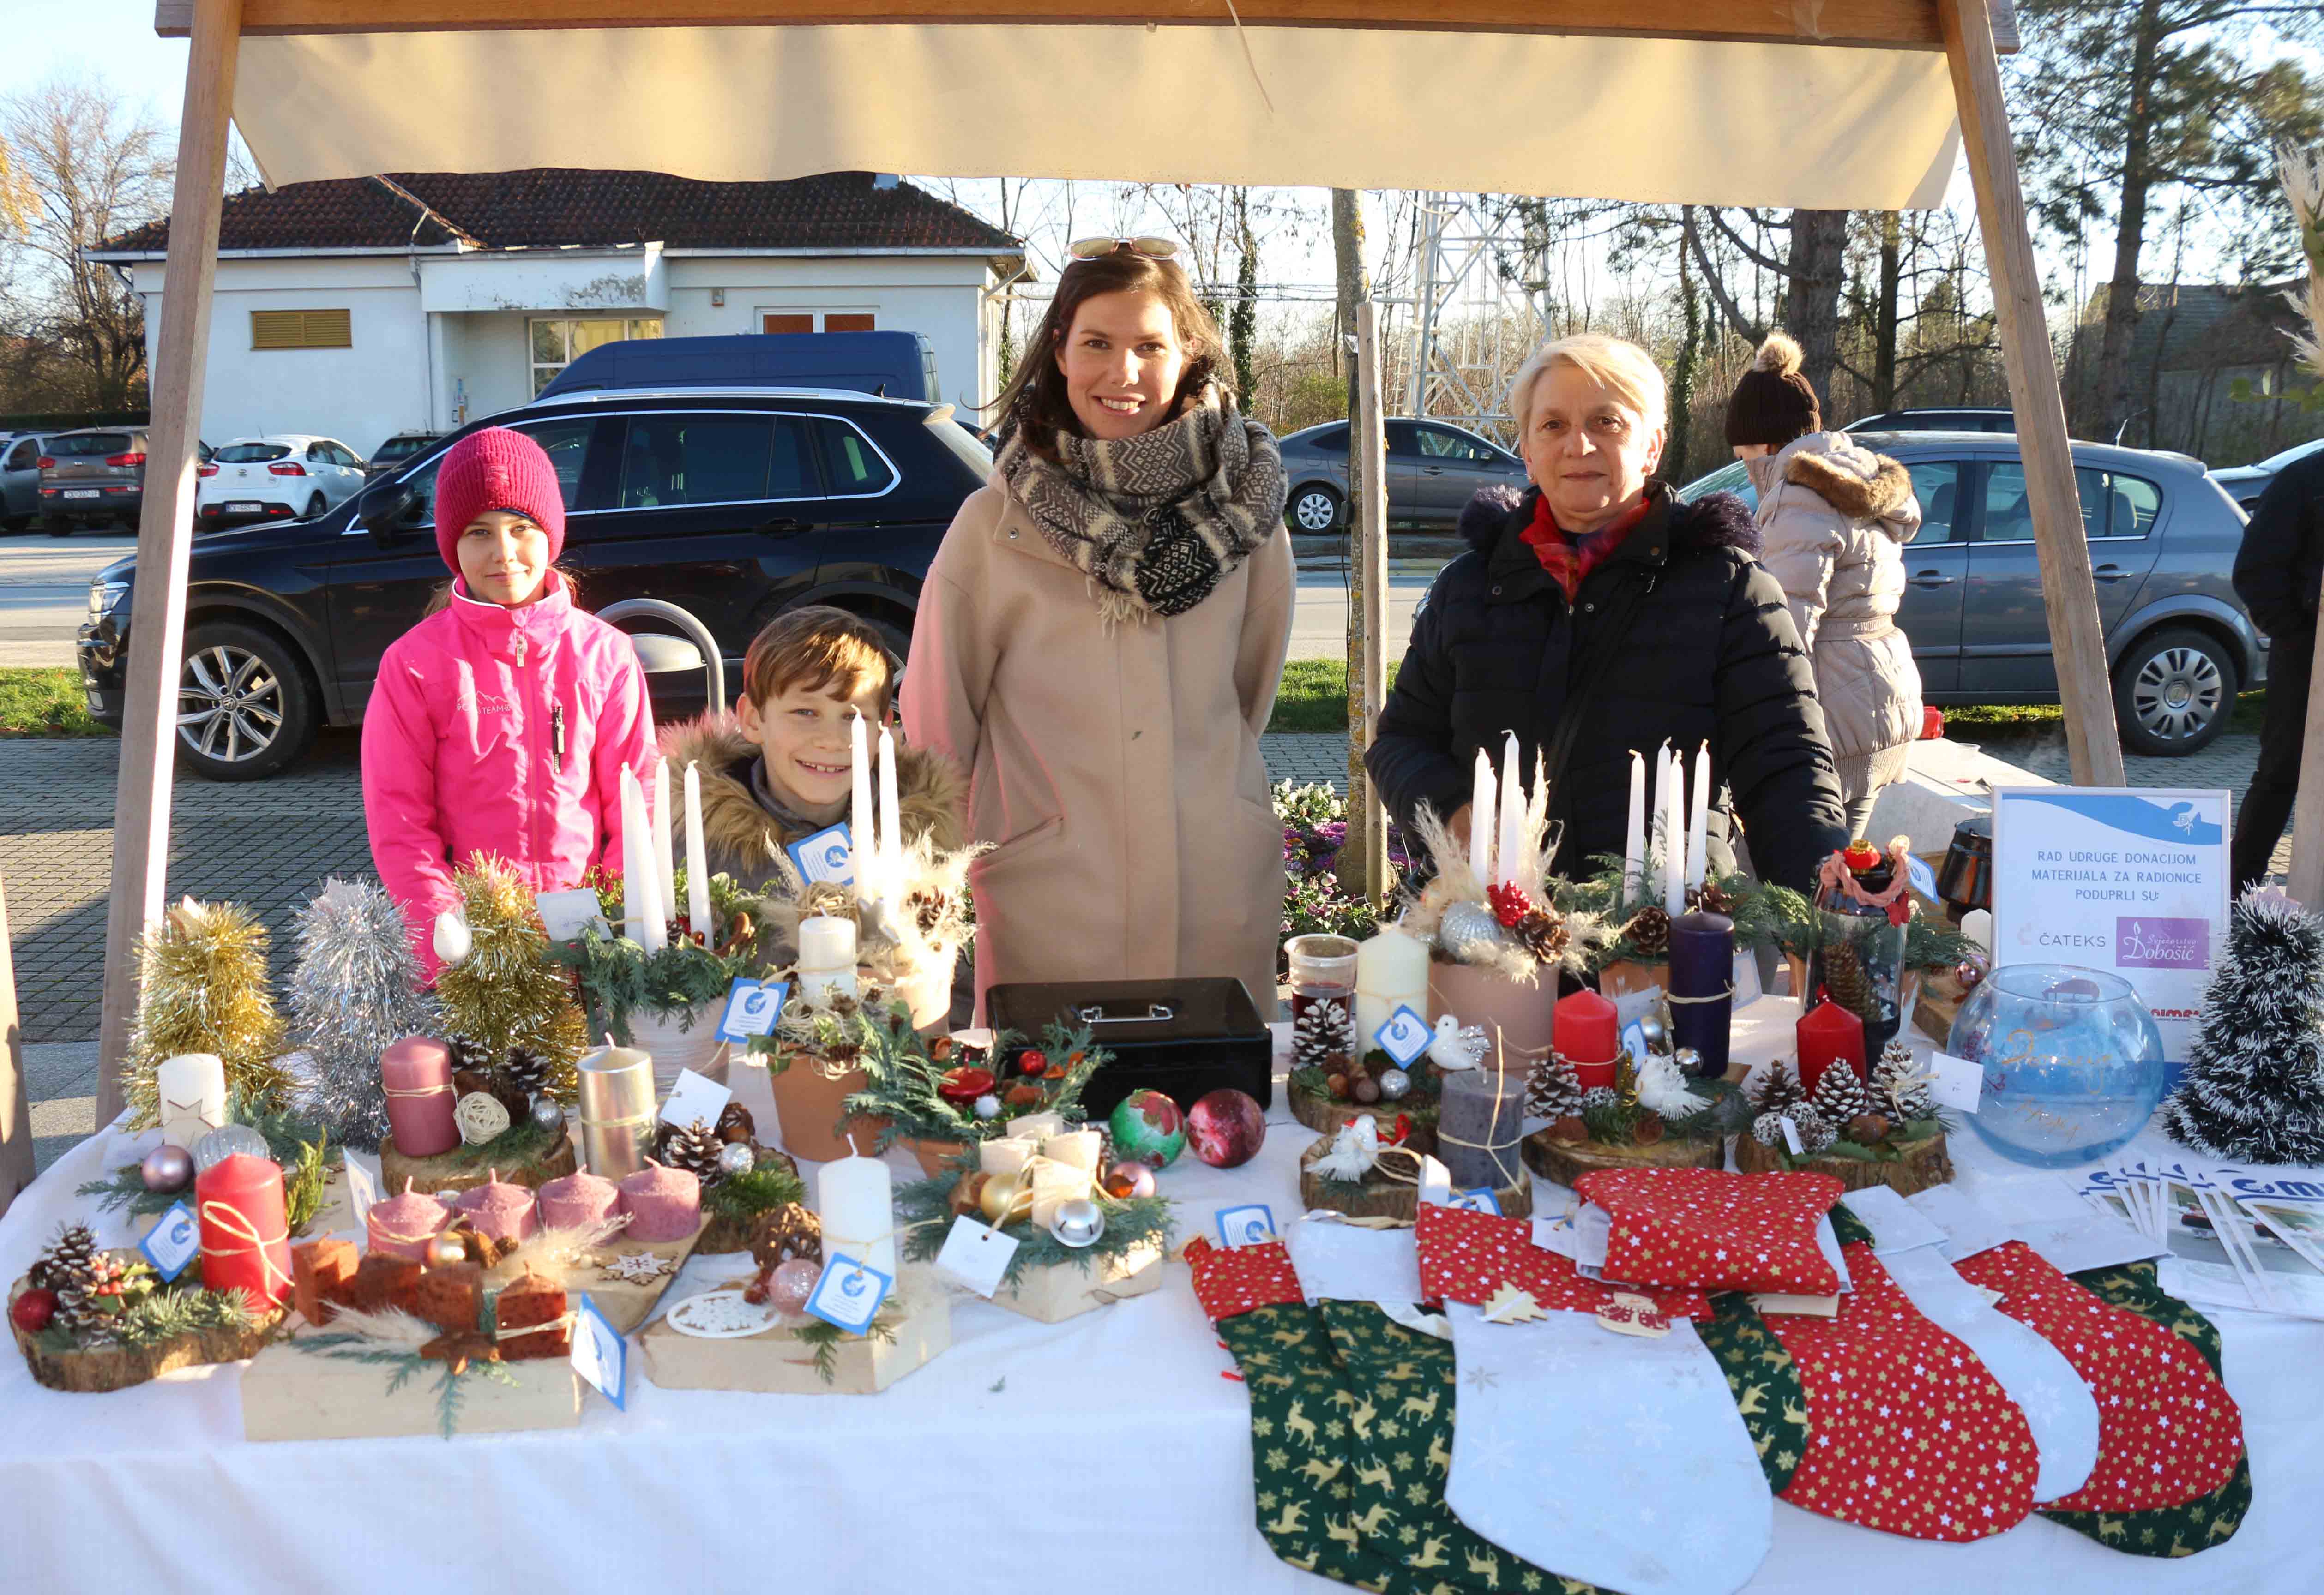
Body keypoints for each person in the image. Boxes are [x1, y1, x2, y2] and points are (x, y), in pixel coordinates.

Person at [903, 239, 1294, 1019]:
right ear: (1059, 350)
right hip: (1047, 900)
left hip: (1212, 890)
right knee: (1043, 1128)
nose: (1123, 373)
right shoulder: (994, 523)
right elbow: (939, 729)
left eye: (1150, 345)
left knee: (1211, 1119)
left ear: (1188, 352)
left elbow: (1248, 696)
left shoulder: (1247, 514)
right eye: (1097, 344)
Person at [1367, 332, 1848, 896]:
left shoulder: (1728, 588)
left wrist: (1822, 884)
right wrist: (1455, 812)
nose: (1579, 445)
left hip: (1661, 936)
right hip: (1493, 928)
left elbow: (1786, 764)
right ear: (1526, 448)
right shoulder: (1470, 588)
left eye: (1607, 422)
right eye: (1553, 425)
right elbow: (1401, 741)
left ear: (1652, 445)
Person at [362, 426, 656, 976]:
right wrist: (450, 941)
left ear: (550, 535)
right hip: (473, 948)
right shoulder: (414, 665)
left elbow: (637, 802)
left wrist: (616, 921)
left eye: (521, 528)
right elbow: (400, 822)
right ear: (452, 544)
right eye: (479, 532)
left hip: (590, 945)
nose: (503, 553)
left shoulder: (606, 655)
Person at [1727, 330, 1925, 840]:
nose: (1745, 467)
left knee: (1804, 889)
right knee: (1844, 872)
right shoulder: (1856, 479)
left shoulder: (1801, 498)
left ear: (1766, 444)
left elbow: (1787, 629)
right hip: (1881, 697)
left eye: (1744, 453)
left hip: (1835, 713)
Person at [660, 605, 966, 901]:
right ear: (753, 720)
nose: (831, 741)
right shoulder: (701, 842)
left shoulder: (921, 838)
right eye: (805, 712)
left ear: (882, 729)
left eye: (853, 717)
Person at [2230, 445, 2324, 892]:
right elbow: (2254, 571)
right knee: (2280, 774)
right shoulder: (2305, 480)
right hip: (2306, 658)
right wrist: (2299, 631)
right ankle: (2237, 890)